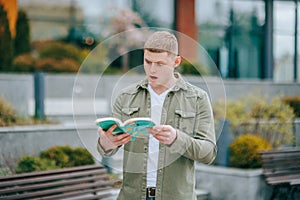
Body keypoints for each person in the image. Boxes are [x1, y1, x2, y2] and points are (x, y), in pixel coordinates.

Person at [97, 31, 217, 200]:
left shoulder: (198, 98)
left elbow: (208, 153)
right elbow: (107, 150)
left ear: (176, 61)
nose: (152, 69)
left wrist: (177, 138)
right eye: (147, 62)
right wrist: (106, 142)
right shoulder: (126, 96)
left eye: (160, 64)